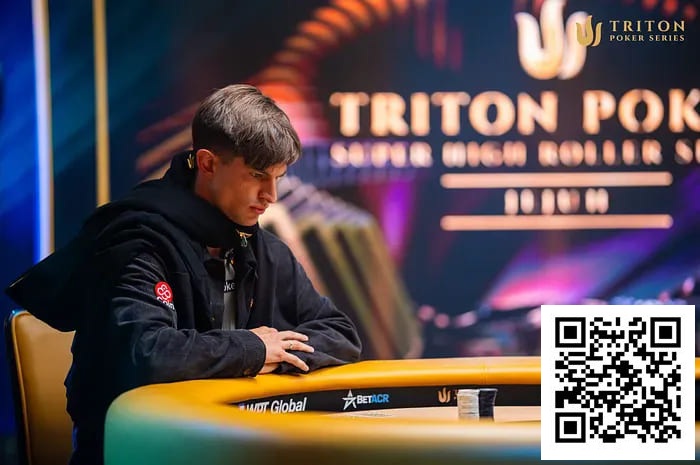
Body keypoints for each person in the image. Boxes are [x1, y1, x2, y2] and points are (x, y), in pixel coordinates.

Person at [6, 84, 362, 465]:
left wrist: (274, 354)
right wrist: (254, 350)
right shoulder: (138, 241)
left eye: (279, 176)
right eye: (257, 175)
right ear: (207, 164)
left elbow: (341, 334)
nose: (271, 195)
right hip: (136, 450)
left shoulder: (263, 248)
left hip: (232, 448)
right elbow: (149, 353)